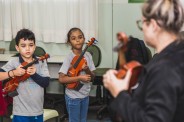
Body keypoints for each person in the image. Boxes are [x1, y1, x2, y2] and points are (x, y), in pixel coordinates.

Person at [103, 0, 184, 122]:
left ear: (153, 25)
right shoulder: (177, 53)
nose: (142, 29)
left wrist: (119, 94)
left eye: (142, 23)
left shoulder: (164, 67)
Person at [0, 29, 50, 122]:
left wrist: (34, 75)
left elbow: (46, 83)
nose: (27, 48)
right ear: (17, 48)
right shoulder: (13, 62)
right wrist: (13, 73)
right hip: (20, 112)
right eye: (23, 46)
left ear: (35, 47)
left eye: (31, 45)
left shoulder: (41, 61)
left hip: (37, 111)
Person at [58, 27, 95, 122]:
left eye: (80, 37)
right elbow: (61, 79)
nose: (77, 40)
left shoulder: (88, 56)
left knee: (83, 120)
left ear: (84, 39)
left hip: (85, 95)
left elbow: (93, 77)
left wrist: (87, 70)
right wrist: (79, 78)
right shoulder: (69, 57)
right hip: (73, 97)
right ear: (69, 42)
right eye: (73, 38)